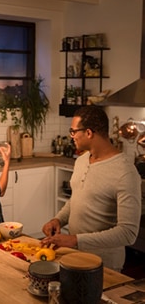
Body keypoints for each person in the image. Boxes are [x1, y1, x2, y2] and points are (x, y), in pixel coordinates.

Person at [41, 105, 141, 271]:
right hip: (74, 256)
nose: (71, 136)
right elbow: (77, 199)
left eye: (73, 131)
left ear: (88, 133)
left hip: (104, 265)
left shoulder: (125, 172)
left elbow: (128, 233)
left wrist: (75, 240)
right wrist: (58, 219)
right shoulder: (82, 160)